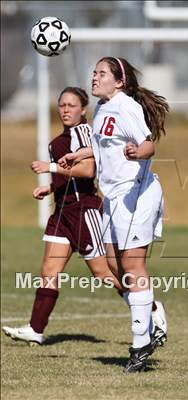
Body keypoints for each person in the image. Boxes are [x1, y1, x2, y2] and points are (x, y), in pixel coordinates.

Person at [59, 57, 169, 372]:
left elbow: (149, 145)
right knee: (111, 265)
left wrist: (138, 152)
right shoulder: (102, 110)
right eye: (93, 72)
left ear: (119, 82)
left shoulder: (126, 107)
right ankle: (149, 313)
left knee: (133, 266)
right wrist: (77, 154)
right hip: (113, 196)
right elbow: (102, 145)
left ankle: (140, 345)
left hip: (136, 193)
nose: (94, 77)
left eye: (102, 73)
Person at [2, 87, 124, 345]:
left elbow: (88, 169)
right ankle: (35, 329)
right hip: (62, 213)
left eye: (71, 105)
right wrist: (50, 186)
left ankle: (150, 309)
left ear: (83, 110)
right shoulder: (56, 142)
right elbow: (69, 174)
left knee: (103, 273)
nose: (66, 110)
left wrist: (51, 167)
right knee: (49, 270)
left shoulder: (84, 133)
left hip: (83, 212)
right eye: (62, 105)